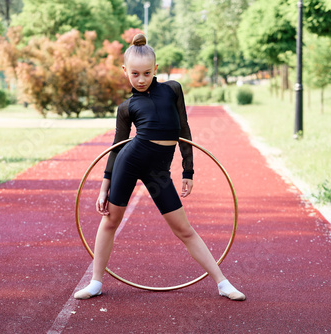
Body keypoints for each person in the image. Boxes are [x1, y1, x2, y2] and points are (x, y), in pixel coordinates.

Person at [74, 34, 245, 301]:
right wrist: (103, 188)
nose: (140, 79)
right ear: (125, 72)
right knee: (111, 221)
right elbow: (116, 147)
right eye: (134, 74)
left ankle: (222, 283)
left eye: (146, 73)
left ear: (155, 69)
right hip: (129, 162)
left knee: (184, 229)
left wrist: (188, 170)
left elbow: (184, 129)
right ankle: (95, 282)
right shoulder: (126, 107)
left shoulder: (173, 89)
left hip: (159, 173)